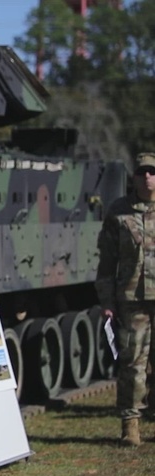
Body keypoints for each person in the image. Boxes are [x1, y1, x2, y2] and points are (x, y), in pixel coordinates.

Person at [96, 152, 155, 447]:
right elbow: (107, 263)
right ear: (133, 177)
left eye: (152, 172)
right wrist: (107, 302)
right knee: (133, 362)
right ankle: (130, 423)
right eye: (141, 172)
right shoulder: (118, 213)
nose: (147, 177)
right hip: (132, 300)